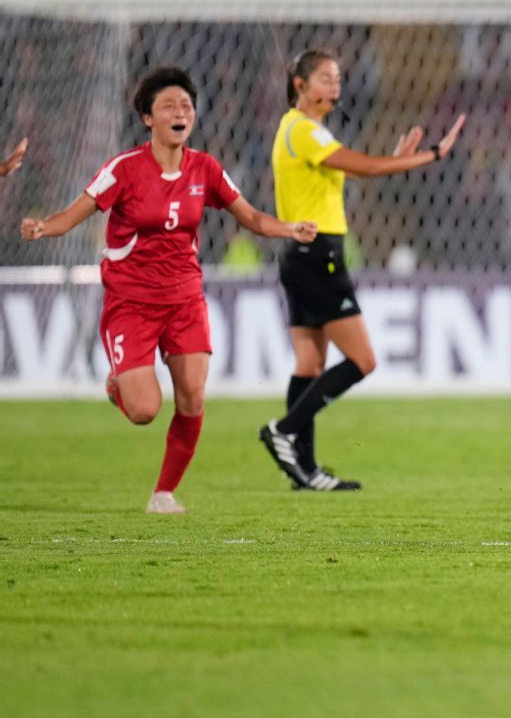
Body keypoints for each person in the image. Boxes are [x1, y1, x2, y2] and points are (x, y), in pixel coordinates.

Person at [19, 67, 317, 513]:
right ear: (147, 118)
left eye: (187, 106)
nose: (181, 113)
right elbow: (76, 211)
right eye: (169, 106)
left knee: (193, 397)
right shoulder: (124, 169)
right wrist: (43, 227)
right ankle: (119, 383)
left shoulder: (205, 168)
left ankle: (164, 493)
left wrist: (289, 228)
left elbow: (251, 217)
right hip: (131, 303)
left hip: (184, 299)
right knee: (143, 411)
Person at [256, 49, 466, 492]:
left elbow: (359, 170)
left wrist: (394, 158)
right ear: (300, 84)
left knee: (310, 362)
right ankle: (285, 431)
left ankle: (306, 471)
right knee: (363, 359)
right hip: (318, 256)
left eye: (338, 78)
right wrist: (429, 155)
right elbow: (367, 167)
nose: (335, 86)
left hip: (300, 255)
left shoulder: (299, 131)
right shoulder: (304, 131)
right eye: (325, 78)